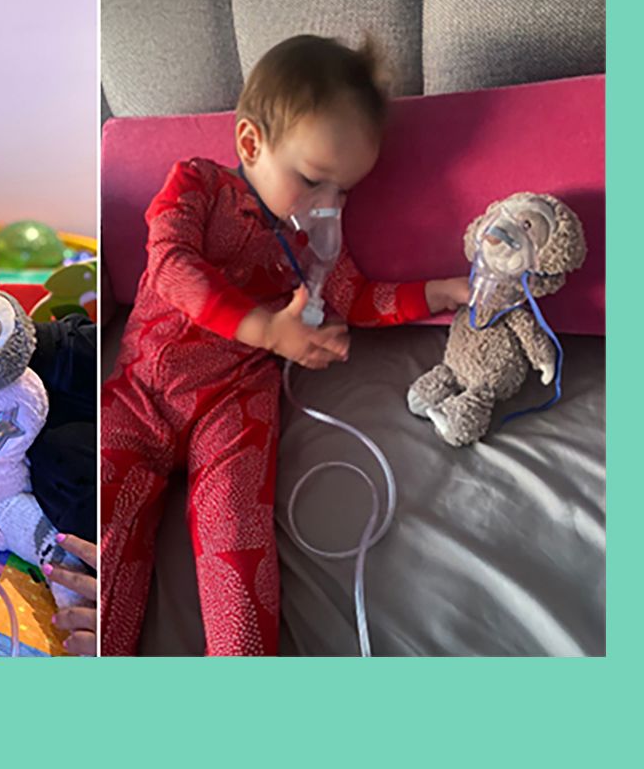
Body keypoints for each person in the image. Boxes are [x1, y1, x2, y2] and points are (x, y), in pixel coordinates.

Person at [100, 35, 471, 656]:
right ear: (251, 144)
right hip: (142, 390)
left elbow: (357, 297)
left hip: (235, 404)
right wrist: (268, 329)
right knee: (105, 524)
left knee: (238, 542)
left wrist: (437, 292)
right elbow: (170, 265)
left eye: (344, 193)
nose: (328, 208)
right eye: (314, 181)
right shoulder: (196, 185)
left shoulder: (307, 246)